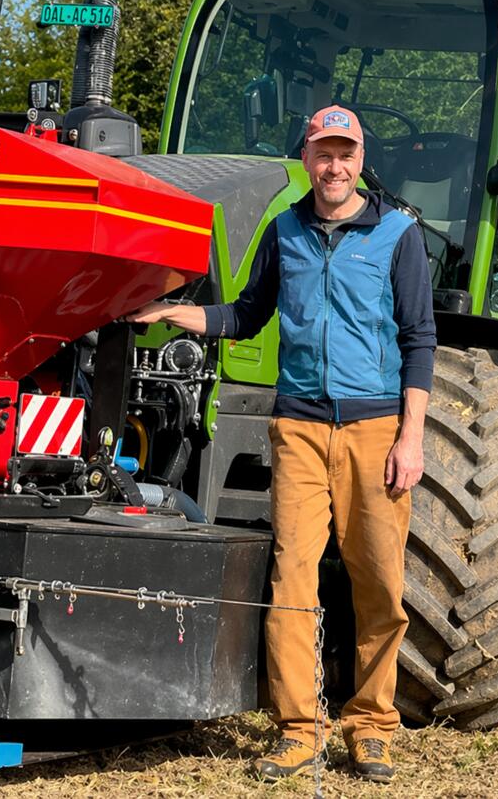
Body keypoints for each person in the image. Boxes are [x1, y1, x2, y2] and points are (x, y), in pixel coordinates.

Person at [126, 105, 436, 784]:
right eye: (323, 152)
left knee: (379, 582)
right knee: (292, 577)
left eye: (344, 153)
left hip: (375, 430)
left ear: (360, 159)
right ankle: (299, 728)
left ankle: (373, 725)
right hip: (297, 428)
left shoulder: (396, 236)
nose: (334, 165)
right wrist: (181, 310)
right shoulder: (284, 232)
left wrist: (410, 438)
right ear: (307, 157)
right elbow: (246, 312)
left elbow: (419, 340)